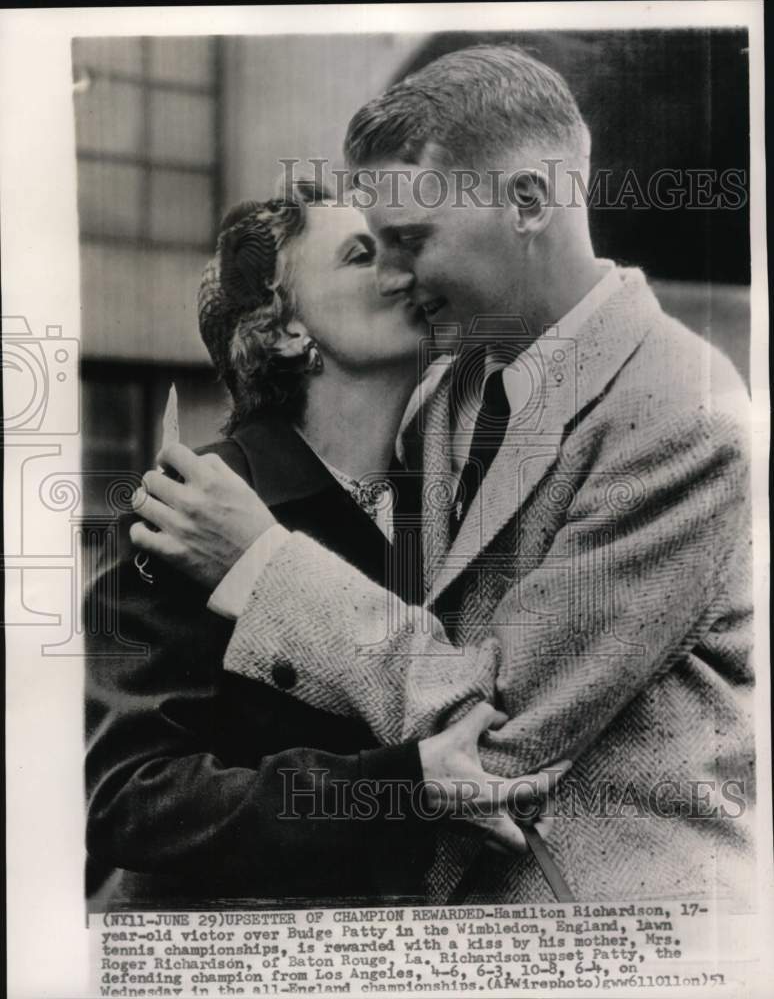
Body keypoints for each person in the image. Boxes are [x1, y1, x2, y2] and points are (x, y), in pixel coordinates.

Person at [134, 45, 754, 903]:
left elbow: (499, 732)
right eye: (372, 249)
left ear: (529, 202)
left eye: (411, 242)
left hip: (615, 930)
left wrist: (262, 563)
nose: (395, 280)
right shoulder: (446, 396)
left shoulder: (686, 414)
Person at [85, 181, 555, 909]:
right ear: (285, 330)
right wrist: (396, 786)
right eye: (362, 255)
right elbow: (133, 803)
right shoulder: (187, 505)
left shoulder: (456, 507)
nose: (404, 271)